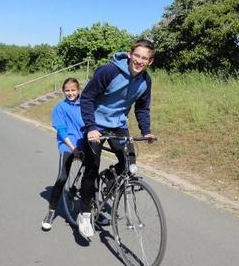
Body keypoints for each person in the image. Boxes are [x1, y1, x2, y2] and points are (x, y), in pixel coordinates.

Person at [77, 39, 156, 239]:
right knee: (91, 167)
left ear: (150, 61)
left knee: (129, 164)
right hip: (96, 123)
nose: (139, 61)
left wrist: (145, 131)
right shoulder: (109, 71)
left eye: (144, 58)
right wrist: (91, 127)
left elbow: (142, 107)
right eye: (136, 55)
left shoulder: (145, 81)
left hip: (119, 124)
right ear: (130, 54)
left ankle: (109, 179)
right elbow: (86, 97)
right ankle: (85, 214)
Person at [42, 77, 85, 231]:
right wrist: (73, 148)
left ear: (79, 90)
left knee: (91, 178)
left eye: (73, 90)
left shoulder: (86, 104)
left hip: (84, 144)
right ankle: (51, 211)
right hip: (68, 145)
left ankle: (93, 211)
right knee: (62, 177)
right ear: (63, 91)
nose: (70, 93)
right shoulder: (59, 107)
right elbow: (61, 129)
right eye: (67, 90)